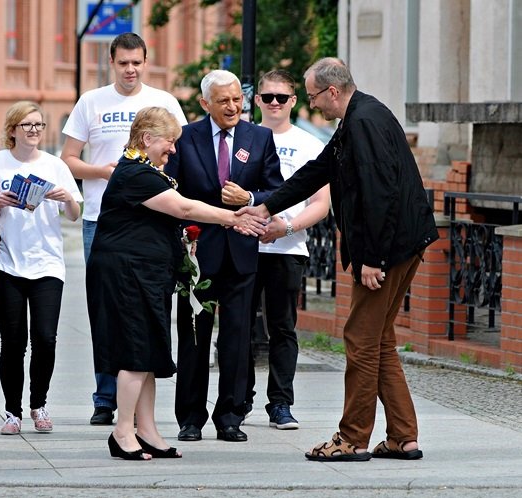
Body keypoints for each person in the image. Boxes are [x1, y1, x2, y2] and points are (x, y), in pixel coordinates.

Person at [237, 57, 438, 461]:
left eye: (313, 97)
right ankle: (402, 435)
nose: (313, 107)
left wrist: (373, 259)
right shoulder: (358, 117)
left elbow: (380, 193)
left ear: (332, 91)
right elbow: (318, 170)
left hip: (390, 249)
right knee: (378, 339)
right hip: (403, 243)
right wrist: (266, 206)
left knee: (360, 339)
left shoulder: (364, 121)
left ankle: (352, 439)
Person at [87, 106, 267, 460]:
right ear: (147, 139)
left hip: (148, 274)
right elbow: (184, 209)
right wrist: (232, 217)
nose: (173, 151)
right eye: (169, 143)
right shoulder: (134, 173)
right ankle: (122, 431)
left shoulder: (148, 171)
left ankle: (148, 430)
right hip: (126, 275)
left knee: (150, 355)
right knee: (135, 352)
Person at [61, 32, 187, 426]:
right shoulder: (91, 102)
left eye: (137, 62)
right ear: (111, 63)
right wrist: (104, 173)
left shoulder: (164, 102)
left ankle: (138, 400)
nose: (130, 70)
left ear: (145, 61)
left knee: (146, 310)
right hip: (102, 219)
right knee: (107, 309)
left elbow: (177, 158)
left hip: (152, 221)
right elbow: (68, 158)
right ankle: (105, 396)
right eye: (122, 63)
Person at [165, 69, 283, 443]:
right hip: (198, 254)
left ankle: (230, 416)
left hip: (242, 253)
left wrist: (248, 199)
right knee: (194, 336)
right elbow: (172, 191)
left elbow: (277, 191)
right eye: (224, 101)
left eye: (237, 100)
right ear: (205, 103)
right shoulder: (185, 138)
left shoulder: (259, 137)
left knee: (236, 337)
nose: (233, 106)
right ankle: (190, 417)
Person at [0, 101, 82, 435]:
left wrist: (65, 198)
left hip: (47, 264)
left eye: (39, 125)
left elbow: (74, 214)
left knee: (46, 338)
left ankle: (38, 403)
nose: (34, 131)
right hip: (9, 263)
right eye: (27, 125)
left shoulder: (54, 165)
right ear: (12, 129)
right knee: (13, 342)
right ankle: (12, 412)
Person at [244, 69, 330, 429]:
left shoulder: (311, 144)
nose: (275, 103)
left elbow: (322, 202)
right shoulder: (244, 139)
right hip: (244, 247)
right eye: (268, 97)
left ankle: (280, 403)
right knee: (239, 328)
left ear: (294, 101)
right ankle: (237, 399)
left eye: (282, 97)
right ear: (257, 100)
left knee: (283, 328)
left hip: (287, 248)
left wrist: (288, 227)